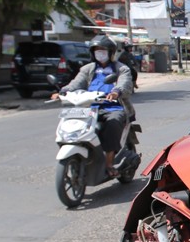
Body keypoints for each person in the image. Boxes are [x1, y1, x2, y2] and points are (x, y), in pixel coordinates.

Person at [51, 35, 133, 178]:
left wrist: (116, 92)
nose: (99, 52)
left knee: (112, 123)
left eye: (103, 50)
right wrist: (63, 91)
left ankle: (108, 163)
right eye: (97, 50)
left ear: (111, 52)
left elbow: (124, 84)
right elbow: (76, 83)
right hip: (88, 107)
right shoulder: (88, 68)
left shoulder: (121, 69)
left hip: (112, 107)